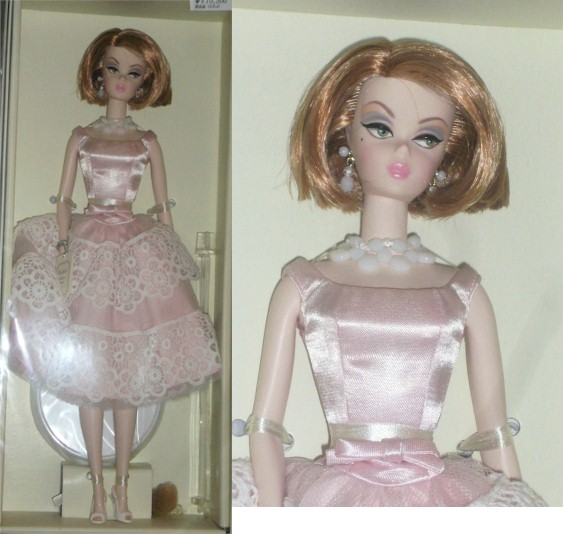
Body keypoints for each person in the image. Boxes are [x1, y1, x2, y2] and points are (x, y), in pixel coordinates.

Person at [234, 38, 545, 507]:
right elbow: (265, 425)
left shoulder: (462, 291)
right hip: (334, 495)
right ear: (345, 135)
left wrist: (515, 509)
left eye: (427, 138)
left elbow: (494, 430)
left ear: (445, 158)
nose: (403, 150)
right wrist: (272, 514)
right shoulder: (304, 286)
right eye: (380, 127)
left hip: (434, 493)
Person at [8, 28, 221, 523]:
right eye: (113, 68)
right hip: (89, 243)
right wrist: (64, 247)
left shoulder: (147, 141)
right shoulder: (81, 137)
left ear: (145, 81)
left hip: (131, 241)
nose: (122, 80)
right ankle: (97, 489)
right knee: (89, 374)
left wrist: (168, 257)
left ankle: (123, 489)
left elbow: (162, 206)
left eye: (134, 72)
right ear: (98, 72)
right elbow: (64, 200)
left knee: (130, 378)